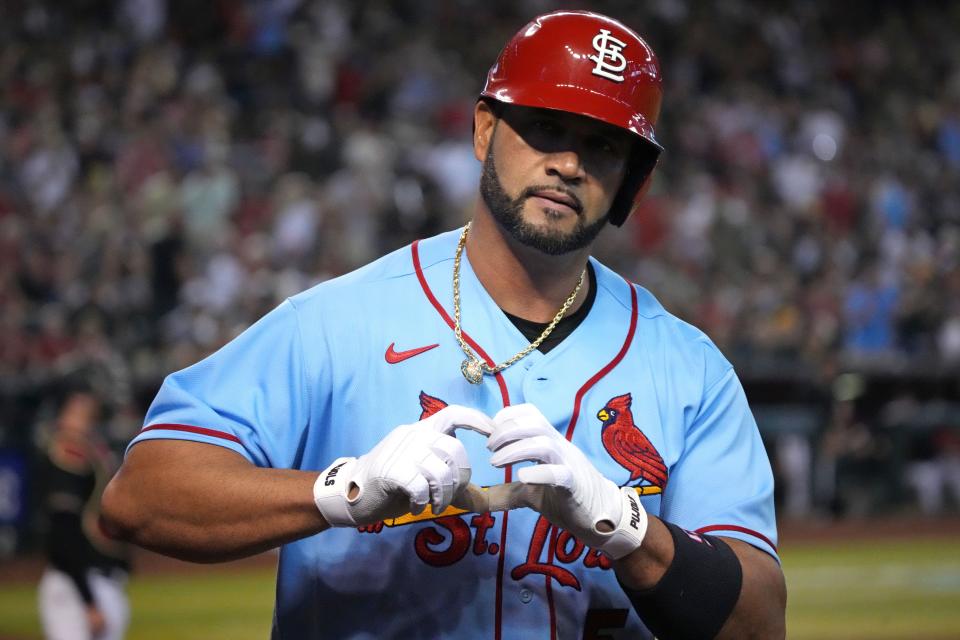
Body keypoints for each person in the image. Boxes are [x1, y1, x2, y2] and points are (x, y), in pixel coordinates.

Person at [102, 10, 786, 639]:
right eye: (545, 127)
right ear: (486, 127)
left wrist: (626, 525)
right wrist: (341, 492)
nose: (570, 164)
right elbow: (139, 496)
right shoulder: (337, 322)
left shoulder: (689, 368)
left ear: (632, 179)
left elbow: (758, 624)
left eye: (603, 147)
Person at [40, 388, 131, 640]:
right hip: (76, 586)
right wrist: (88, 600)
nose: (84, 418)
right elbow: (62, 533)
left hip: (103, 582)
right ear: (61, 416)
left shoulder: (93, 452)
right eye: (76, 411)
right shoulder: (66, 455)